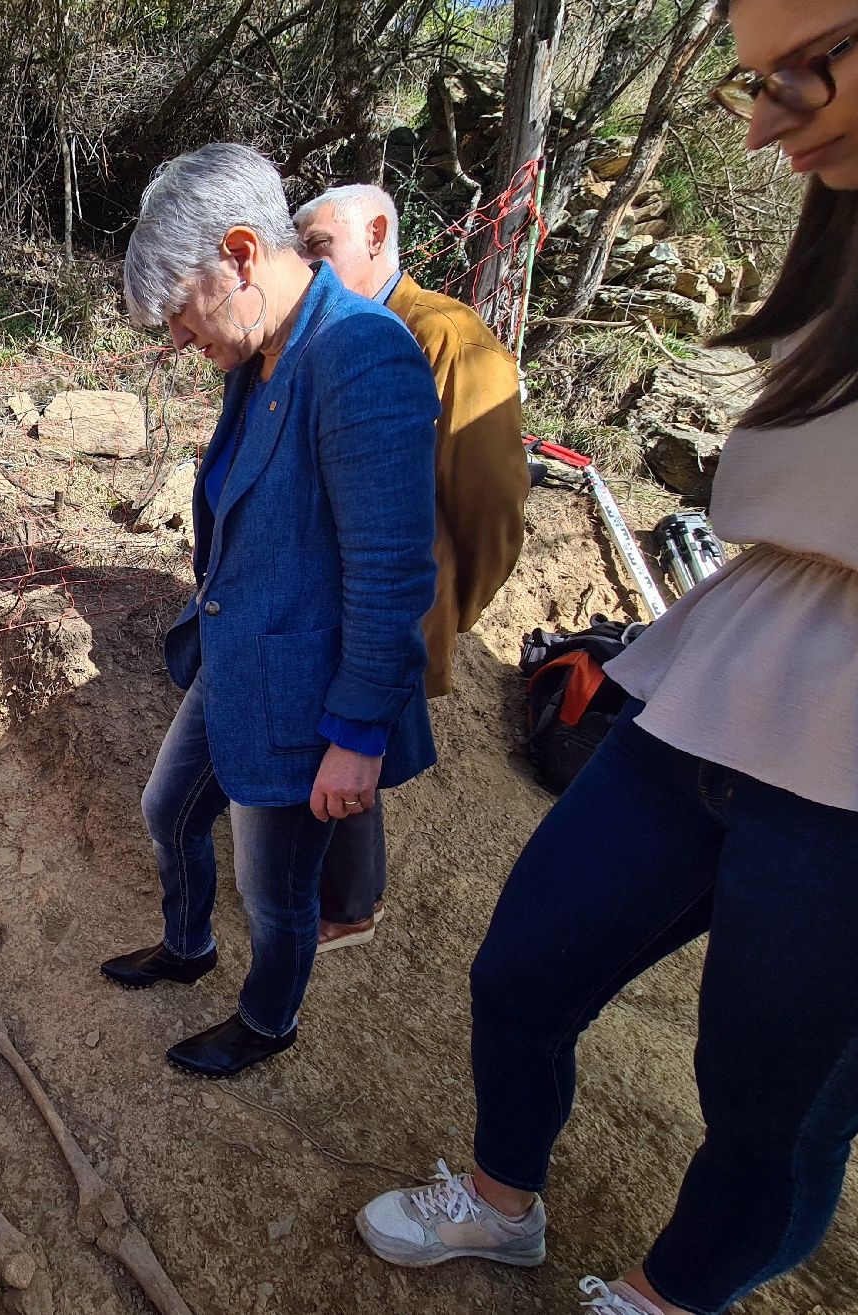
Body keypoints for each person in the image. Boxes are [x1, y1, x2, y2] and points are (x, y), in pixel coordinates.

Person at [357, 2, 858, 1311]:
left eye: (797, 77)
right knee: (523, 965)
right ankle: (500, 1198)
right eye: (745, 85)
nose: (759, 124)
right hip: (711, 688)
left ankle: (662, 1293)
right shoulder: (848, 261)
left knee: (770, 1104)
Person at [99, 144, 441, 1078]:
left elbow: (391, 568)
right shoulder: (259, 355)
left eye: (180, 312)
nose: (178, 339)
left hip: (310, 687)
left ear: (241, 254)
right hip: (237, 655)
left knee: (277, 886)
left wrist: (358, 730)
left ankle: (267, 1017)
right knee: (168, 807)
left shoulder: (361, 354)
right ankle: (187, 945)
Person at [293, 184, 530, 954]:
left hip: (395, 594)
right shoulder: (334, 329)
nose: (307, 266)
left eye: (319, 248)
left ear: (378, 231)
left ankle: (349, 905)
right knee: (340, 722)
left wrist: (443, 612)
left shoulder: (449, 339)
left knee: (358, 725)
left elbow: (492, 505)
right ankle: (332, 888)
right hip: (343, 583)